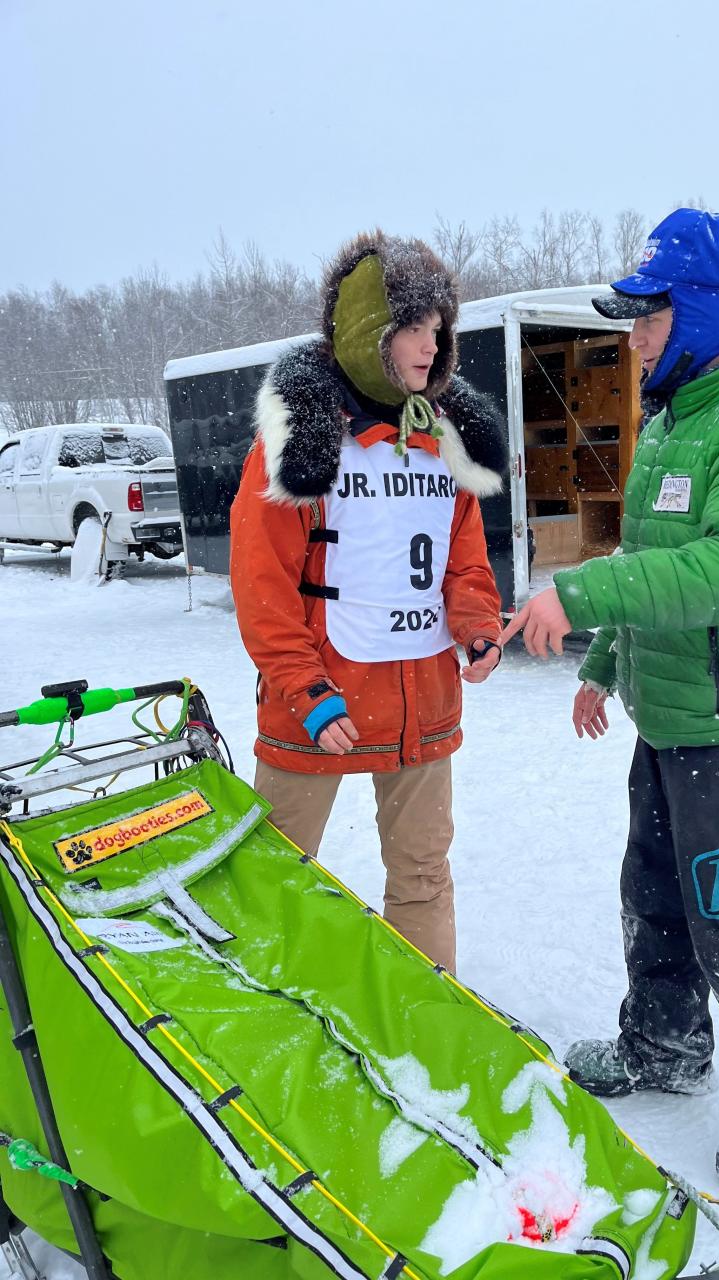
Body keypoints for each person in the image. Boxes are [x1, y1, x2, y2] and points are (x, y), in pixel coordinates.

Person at [500, 208, 719, 1190]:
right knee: (654, 893)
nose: (633, 336)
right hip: (673, 721)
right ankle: (663, 1044)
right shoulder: (673, 426)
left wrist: (577, 596)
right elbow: (650, 560)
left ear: (700, 314)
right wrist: (606, 664)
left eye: (648, 317)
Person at [230, 230, 507, 976]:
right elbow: (263, 588)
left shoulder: (442, 439)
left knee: (422, 880)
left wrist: (478, 626)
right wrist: (307, 692)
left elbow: (464, 563)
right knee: (275, 881)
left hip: (424, 704)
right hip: (319, 709)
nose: (430, 345)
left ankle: (430, 1027)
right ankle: (263, 1027)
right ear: (367, 333)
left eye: (437, 329)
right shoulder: (300, 439)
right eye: (411, 327)